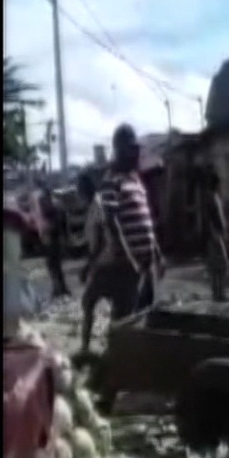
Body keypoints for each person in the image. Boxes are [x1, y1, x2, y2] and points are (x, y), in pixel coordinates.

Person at [77, 124, 163, 361]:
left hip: (145, 264)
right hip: (126, 265)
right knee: (124, 322)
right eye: (130, 149)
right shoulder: (111, 180)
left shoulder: (135, 179)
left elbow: (145, 219)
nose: (136, 154)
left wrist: (157, 254)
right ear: (119, 150)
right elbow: (113, 225)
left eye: (136, 149)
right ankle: (113, 377)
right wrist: (131, 258)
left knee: (145, 315)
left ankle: (138, 365)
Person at [200, 167, 229, 303]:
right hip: (214, 235)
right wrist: (214, 234)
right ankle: (218, 294)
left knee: (219, 265)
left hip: (218, 234)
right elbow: (208, 218)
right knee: (220, 265)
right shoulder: (210, 197)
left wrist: (224, 232)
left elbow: (219, 217)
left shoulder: (215, 197)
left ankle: (219, 293)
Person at [39, 188, 71, 297]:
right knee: (55, 266)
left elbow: (53, 224)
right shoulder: (57, 206)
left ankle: (59, 289)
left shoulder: (51, 209)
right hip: (54, 239)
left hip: (52, 239)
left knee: (53, 266)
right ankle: (60, 288)